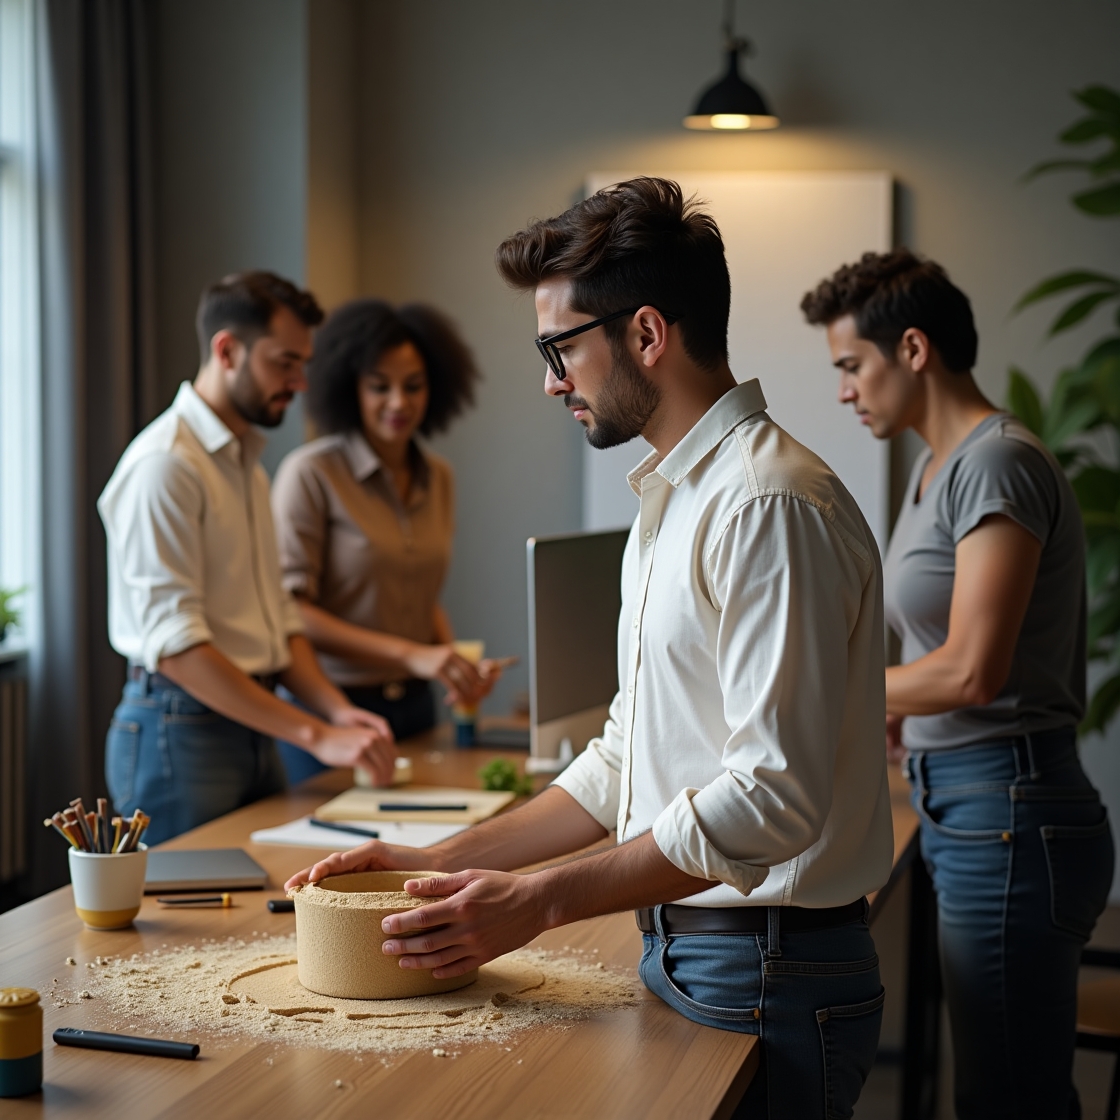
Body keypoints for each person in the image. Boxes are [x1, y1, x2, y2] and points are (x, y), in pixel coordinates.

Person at [286, 178, 894, 1119]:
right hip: (699, 951)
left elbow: (775, 800)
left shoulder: (768, 506)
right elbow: (622, 758)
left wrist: (542, 902)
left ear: (645, 334)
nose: (549, 380)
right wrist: (435, 857)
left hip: (767, 967)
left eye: (559, 348)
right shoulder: (672, 499)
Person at [801, 248, 1115, 1120]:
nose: (843, 390)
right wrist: (906, 717)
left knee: (1010, 1099)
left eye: (850, 366)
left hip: (1011, 810)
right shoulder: (939, 470)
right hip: (970, 806)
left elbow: (974, 668)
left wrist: (829, 696)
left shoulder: (996, 463)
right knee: (997, 1084)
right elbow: (944, 660)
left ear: (911, 349)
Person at [99, 271, 397, 844]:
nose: (300, 382)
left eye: (302, 364)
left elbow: (277, 619)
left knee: (253, 907)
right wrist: (314, 735)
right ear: (227, 350)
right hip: (179, 726)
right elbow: (177, 646)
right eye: (284, 363)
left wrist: (335, 710)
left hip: (252, 718)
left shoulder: (246, 466)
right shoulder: (165, 466)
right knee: (184, 927)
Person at [270, 300, 502, 784]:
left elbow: (421, 595)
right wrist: (414, 654)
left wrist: (454, 663)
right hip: (334, 712)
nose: (399, 402)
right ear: (350, 387)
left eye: (413, 386)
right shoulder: (310, 474)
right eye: (380, 386)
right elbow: (293, 612)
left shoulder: (439, 477)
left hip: (416, 709)